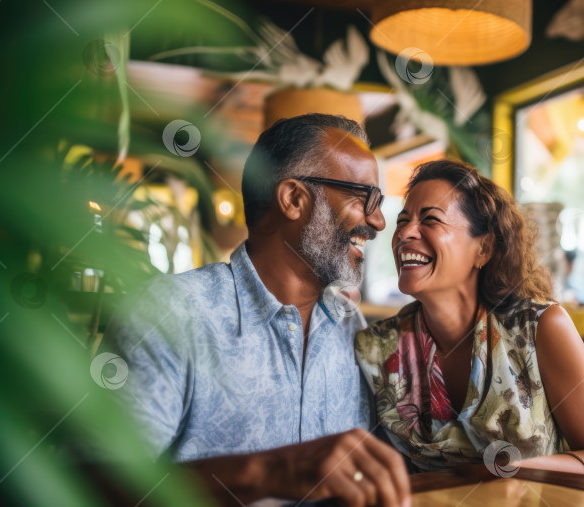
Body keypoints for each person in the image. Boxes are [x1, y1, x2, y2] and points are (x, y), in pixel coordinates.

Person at [101, 114, 410, 507]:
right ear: (294, 199)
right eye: (364, 197)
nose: (379, 220)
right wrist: (270, 473)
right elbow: (86, 481)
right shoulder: (167, 313)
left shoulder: (350, 324)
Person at [354, 160, 584, 479]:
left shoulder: (540, 328)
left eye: (430, 219)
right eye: (402, 220)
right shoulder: (374, 347)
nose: (404, 233)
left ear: (483, 248)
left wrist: (506, 473)